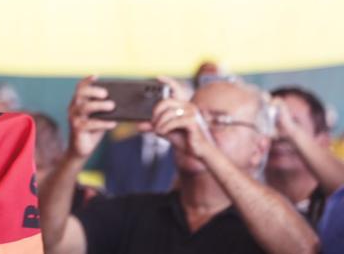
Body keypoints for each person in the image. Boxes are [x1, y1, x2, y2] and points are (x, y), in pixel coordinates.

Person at [40, 76, 319, 254]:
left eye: (219, 121)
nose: (194, 129)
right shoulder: (132, 213)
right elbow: (50, 244)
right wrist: (74, 156)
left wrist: (206, 149)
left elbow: (304, 249)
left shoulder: (270, 223)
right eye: (192, 116)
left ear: (259, 149)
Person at [265, 86, 344, 227]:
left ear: (324, 142)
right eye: (270, 123)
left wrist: (292, 131)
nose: (278, 135)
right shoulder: (241, 203)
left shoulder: (335, 206)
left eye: (294, 122)